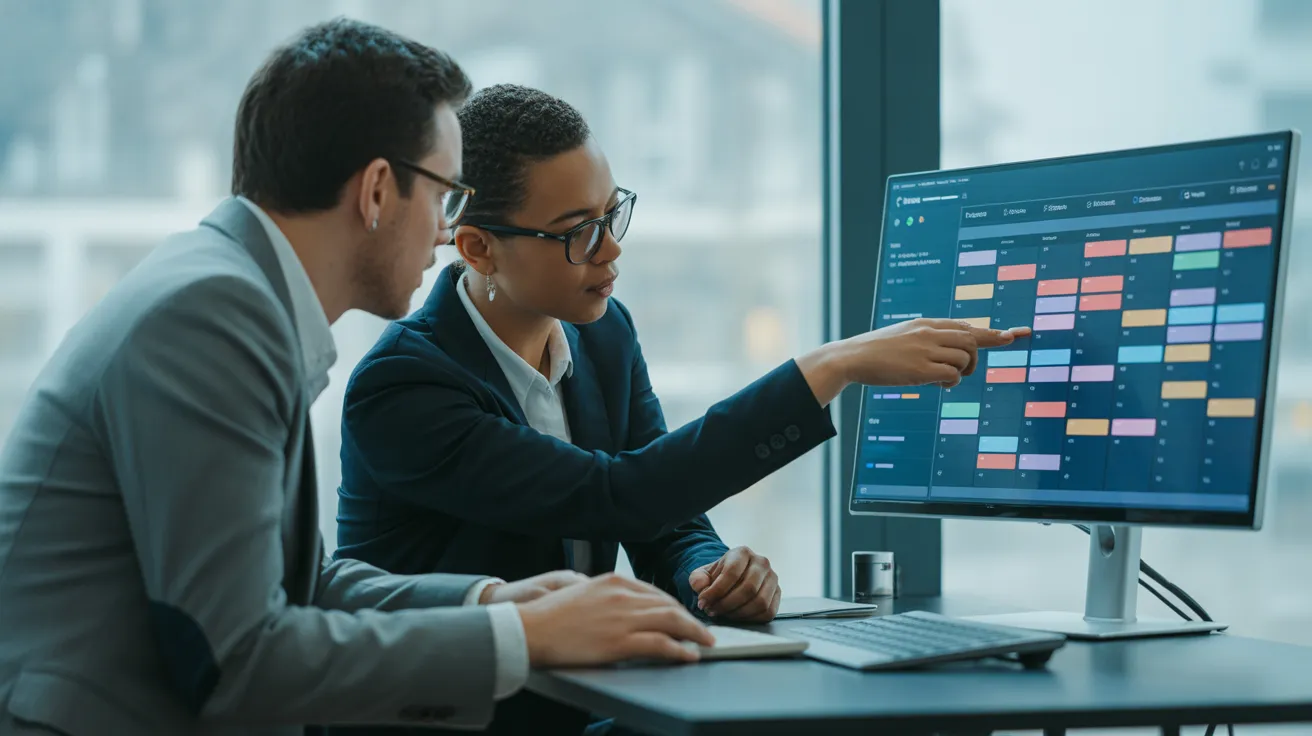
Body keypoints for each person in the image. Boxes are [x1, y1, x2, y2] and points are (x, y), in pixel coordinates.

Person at [0, 22, 717, 736]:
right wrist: (523, 641)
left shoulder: (228, 291)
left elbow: (302, 586)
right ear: (377, 190)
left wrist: (497, 604)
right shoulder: (214, 316)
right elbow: (242, 659)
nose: (447, 232)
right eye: (444, 194)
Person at [334, 85, 1030, 733]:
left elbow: (664, 522)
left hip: (575, 711)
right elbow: (616, 495)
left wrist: (710, 575)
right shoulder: (404, 387)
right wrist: (828, 367)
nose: (611, 249)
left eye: (612, 213)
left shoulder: (603, 335)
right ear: (479, 247)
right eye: (578, 231)